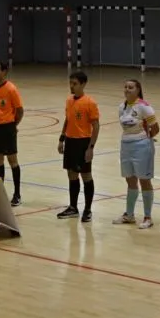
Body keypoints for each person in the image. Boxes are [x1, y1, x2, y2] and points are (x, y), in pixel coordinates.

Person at [56, 71, 101, 222]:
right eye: (70, 83)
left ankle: (88, 209)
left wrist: (91, 147)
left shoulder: (90, 102)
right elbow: (67, 120)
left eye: (75, 84)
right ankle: (73, 207)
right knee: (71, 174)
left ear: (83, 84)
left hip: (83, 142)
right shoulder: (69, 101)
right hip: (70, 141)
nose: (72, 86)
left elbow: (96, 126)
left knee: (86, 175)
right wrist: (62, 138)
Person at [113, 79, 158, 229]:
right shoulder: (121, 107)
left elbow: (155, 128)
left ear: (138, 90)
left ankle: (147, 217)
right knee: (130, 181)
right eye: (125, 87)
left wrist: (146, 139)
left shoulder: (144, 107)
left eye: (131, 87)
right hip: (125, 145)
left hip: (142, 146)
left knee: (144, 180)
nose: (127, 90)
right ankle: (129, 215)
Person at [0, 63, 25, 206]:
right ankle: (0, 194)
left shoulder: (11, 89)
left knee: (12, 160)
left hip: (8, 127)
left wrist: (13, 125)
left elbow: (20, 110)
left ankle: (17, 194)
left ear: (4, 72)